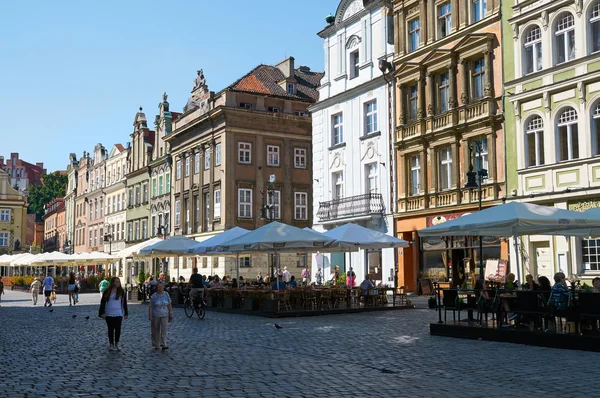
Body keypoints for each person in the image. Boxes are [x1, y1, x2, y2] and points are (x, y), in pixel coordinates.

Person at [98, 277, 128, 351]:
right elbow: (103, 302)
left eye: (118, 282)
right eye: (116, 282)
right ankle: (111, 343)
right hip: (109, 313)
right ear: (113, 282)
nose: (118, 283)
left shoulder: (121, 291)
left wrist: (126, 313)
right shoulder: (107, 291)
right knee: (110, 329)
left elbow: (124, 303)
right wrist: (101, 313)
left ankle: (117, 343)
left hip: (118, 313)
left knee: (118, 329)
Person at [148, 282, 172, 350]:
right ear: (157, 287)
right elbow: (150, 306)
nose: (160, 288)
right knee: (156, 329)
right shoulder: (154, 296)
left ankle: (163, 343)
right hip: (156, 314)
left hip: (165, 314)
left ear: (163, 287)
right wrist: (150, 315)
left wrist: (170, 313)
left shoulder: (166, 294)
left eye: (161, 287)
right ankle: (156, 344)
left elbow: (169, 304)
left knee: (164, 329)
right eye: (159, 287)